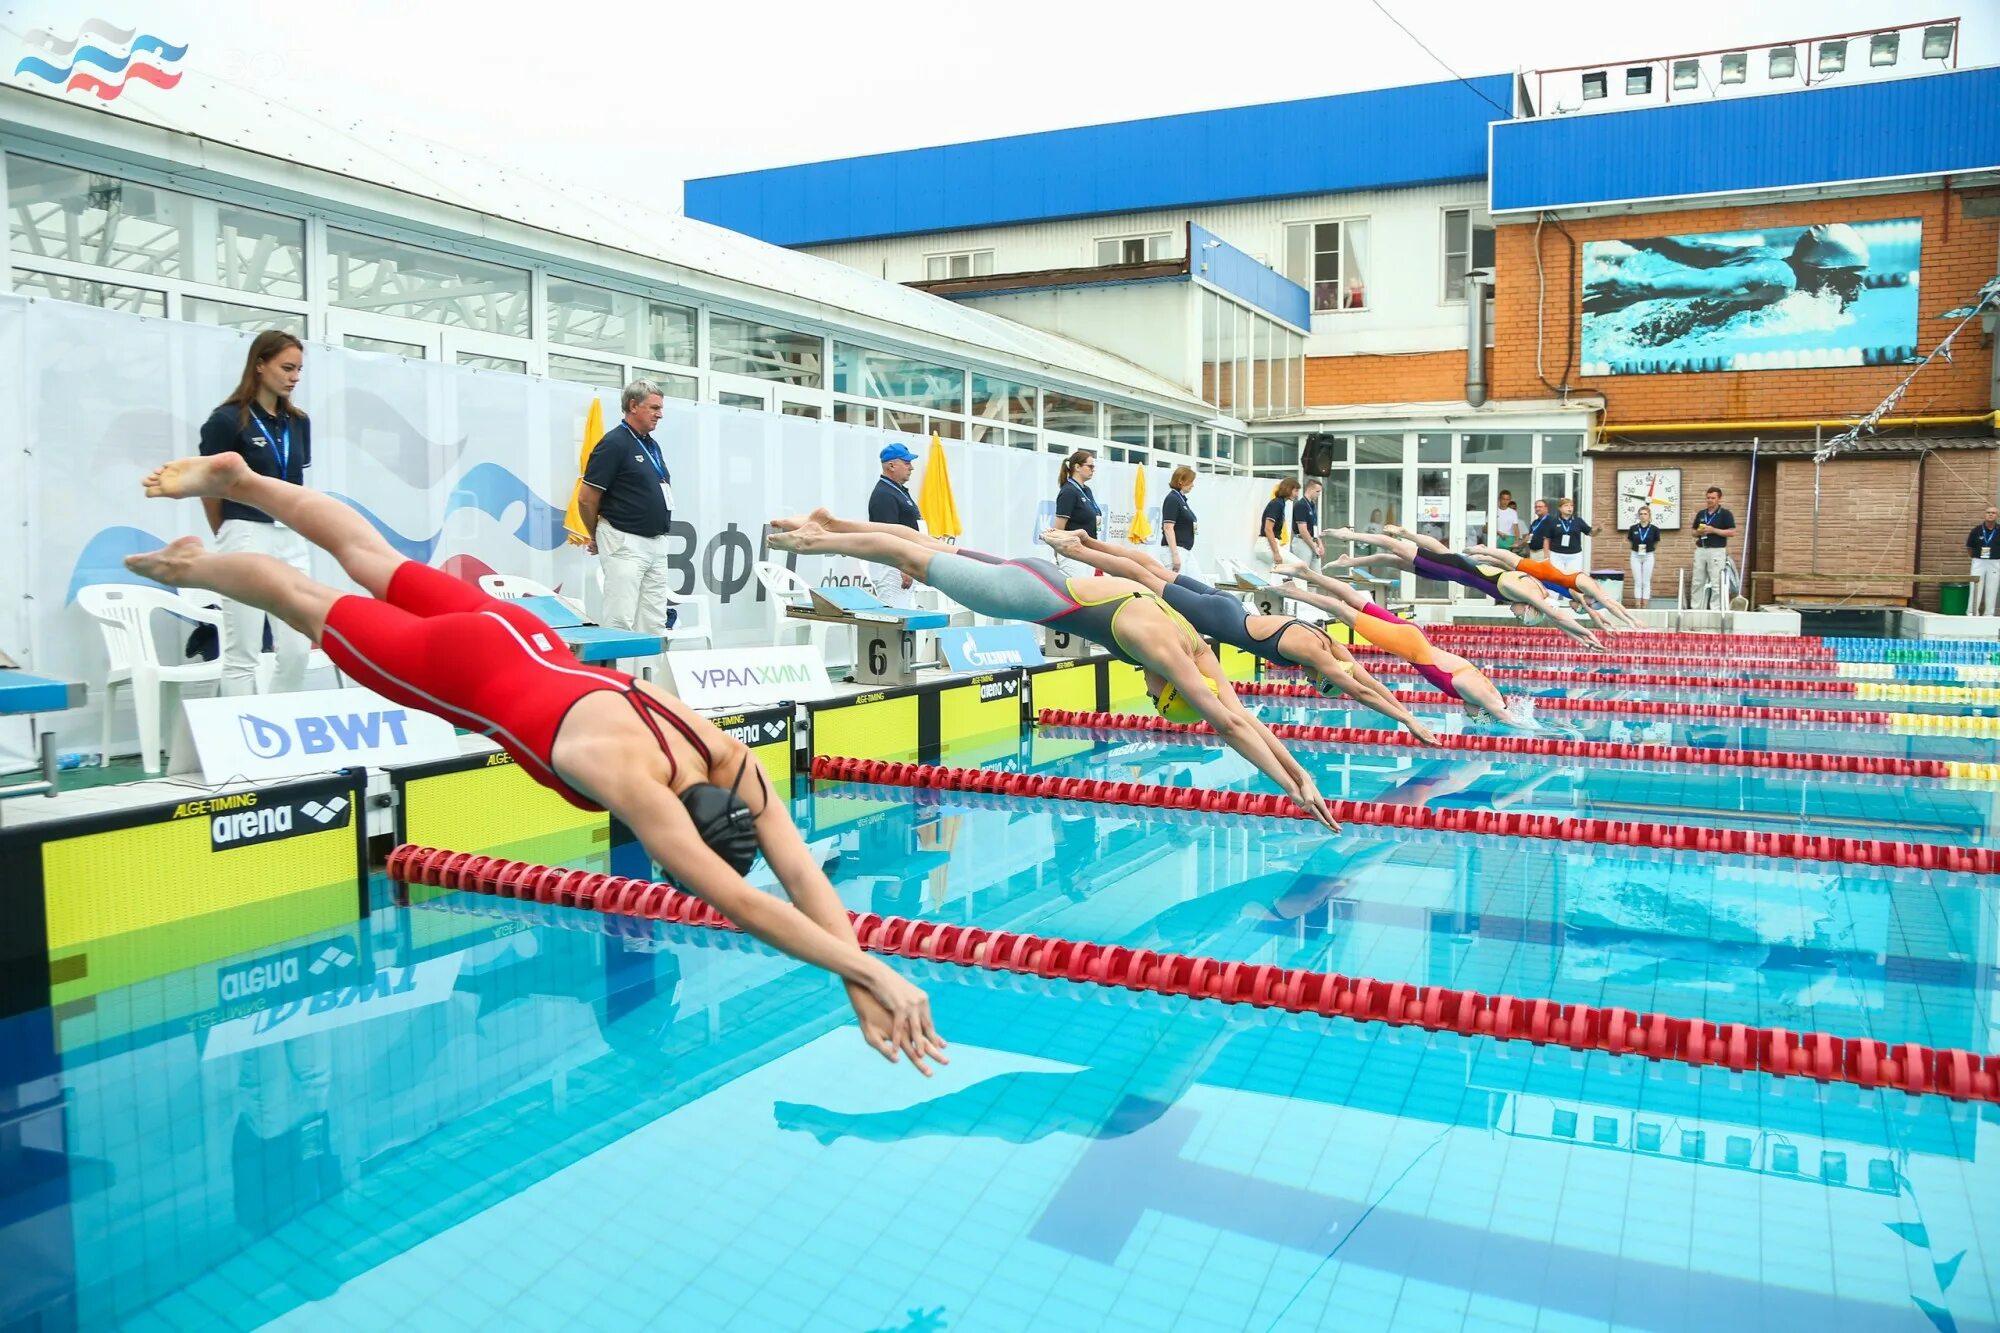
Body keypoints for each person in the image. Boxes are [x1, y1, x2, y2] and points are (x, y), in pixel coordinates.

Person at [127, 453, 946, 1076]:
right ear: (669, 829)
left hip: (520, 633)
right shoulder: (633, 787)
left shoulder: (724, 756)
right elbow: (743, 897)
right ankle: (195, 564)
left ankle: (247, 480)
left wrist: (861, 982)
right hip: (460, 667)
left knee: (364, 552)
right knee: (298, 600)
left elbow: (802, 876)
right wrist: (872, 968)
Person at [767, 509, 1338, 829]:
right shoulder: (1169, 654)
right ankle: (818, 540)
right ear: (1169, 693)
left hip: (1043, 573)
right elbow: (1231, 725)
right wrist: (1291, 785)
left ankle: (832, 522)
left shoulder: (1197, 647)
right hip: (1025, 594)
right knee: (909, 555)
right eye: (1154, 695)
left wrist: (1299, 778)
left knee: (923, 543)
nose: (1145, 685)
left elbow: (1242, 716)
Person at [1043, 528, 1438, 745]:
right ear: (1323, 677)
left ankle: (1087, 541)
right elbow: (1362, 692)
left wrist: (1407, 712)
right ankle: (1076, 550)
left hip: (1229, 609)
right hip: (1219, 620)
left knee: (1153, 570)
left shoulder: (1330, 646)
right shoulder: (1317, 657)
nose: (1312, 683)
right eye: (1322, 685)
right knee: (1145, 576)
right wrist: (1407, 721)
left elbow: (1369, 682)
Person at [197, 330, 315, 697]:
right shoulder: (226, 420)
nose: (294, 377)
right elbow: (208, 486)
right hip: (245, 533)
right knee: (243, 652)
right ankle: (243, 745)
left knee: (297, 649)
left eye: (298, 369)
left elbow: (294, 482)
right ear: (260, 365)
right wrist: (228, 532)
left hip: (290, 537)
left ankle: (279, 726)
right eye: (287, 367)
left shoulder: (298, 422)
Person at [1270, 561, 1529, 725]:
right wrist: (1529, 731)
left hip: (1413, 636)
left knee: (1354, 600)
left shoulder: (1477, 690)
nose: (1474, 718)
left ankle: (1306, 573)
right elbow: (1502, 713)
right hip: (1409, 645)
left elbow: (1479, 708)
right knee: (1343, 611)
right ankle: (1294, 591)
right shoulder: (1475, 690)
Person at [1332, 525, 1608, 651]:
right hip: (1453, 569)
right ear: (1527, 607)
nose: (1514, 615)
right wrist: (1587, 632)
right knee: (1396, 549)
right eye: (1519, 615)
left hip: (1453, 572)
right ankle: (1350, 534)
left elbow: (1555, 618)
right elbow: (1558, 616)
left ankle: (1352, 559)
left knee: (1397, 560)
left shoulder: (1532, 595)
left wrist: (1583, 639)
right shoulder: (1523, 590)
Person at [578, 381, 676, 634]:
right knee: (620, 617)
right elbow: (586, 498)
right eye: (654, 407)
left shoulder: (651, 444)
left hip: (656, 542)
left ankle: (648, 674)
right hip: (625, 540)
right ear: (633, 406)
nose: (660, 414)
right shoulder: (614, 443)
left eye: (661, 408)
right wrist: (595, 534)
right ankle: (618, 675)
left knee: (655, 619)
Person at [1466, 544, 1645, 631]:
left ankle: (1485, 558)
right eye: (1580, 610)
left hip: (1545, 577)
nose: (1575, 609)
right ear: (1587, 603)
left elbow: (1601, 610)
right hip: (1545, 573)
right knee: (1513, 560)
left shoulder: (1579, 596)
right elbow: (1610, 605)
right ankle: (1484, 550)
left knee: (1510, 567)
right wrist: (1631, 621)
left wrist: (1610, 624)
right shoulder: (1584, 592)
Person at [865, 442, 923, 609]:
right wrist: (903, 567)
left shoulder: (896, 491)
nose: (911, 468)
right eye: (906, 463)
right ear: (891, 465)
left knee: (908, 618)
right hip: (893, 567)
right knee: (896, 618)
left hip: (902, 563)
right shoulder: (884, 494)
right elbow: (888, 536)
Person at [1691, 486, 1736, 612]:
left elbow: (1732, 532)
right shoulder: (1701, 514)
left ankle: (1715, 609)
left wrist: (1713, 530)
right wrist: (1699, 532)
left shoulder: (1725, 514)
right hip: (1701, 549)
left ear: (1719, 499)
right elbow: (1693, 532)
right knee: (1697, 581)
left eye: (1713, 498)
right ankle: (1696, 609)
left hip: (1717, 550)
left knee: (1716, 582)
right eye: (1708, 497)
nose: (1710, 500)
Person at [1160, 465, 1200, 580]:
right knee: (1179, 586)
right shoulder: (1172, 499)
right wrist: (1175, 556)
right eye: (1190, 481)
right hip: (1175, 550)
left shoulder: (1181, 500)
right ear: (1181, 481)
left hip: (1185, 550)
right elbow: (1168, 528)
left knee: (1198, 582)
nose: (1192, 485)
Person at [1255, 479, 1300, 568]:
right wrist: (1276, 553)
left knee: (1264, 579)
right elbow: (1268, 529)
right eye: (1296, 491)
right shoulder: (1277, 504)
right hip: (1266, 546)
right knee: (1299, 566)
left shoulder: (1280, 503)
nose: (1297, 494)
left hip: (1263, 545)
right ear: (1288, 489)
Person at [1543, 498, 1591, 576]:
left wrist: (1598, 529)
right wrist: (1546, 556)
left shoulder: (1578, 521)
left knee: (1573, 577)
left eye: (1571, 506)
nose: (1570, 508)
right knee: (1557, 577)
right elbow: (1546, 539)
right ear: (1560, 508)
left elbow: (1591, 533)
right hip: (1557, 555)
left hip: (1574, 555)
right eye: (1566, 506)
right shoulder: (1553, 521)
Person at [1627, 505, 1661, 609]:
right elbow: (1630, 540)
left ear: (1649, 515)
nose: (1643, 516)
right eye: (1641, 514)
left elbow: (1656, 541)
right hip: (1635, 555)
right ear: (1638, 515)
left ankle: (1645, 605)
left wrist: (1651, 549)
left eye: (1645, 514)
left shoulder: (1654, 529)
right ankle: (1637, 604)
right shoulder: (1633, 528)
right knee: (1638, 581)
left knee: (1646, 581)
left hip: (1648, 555)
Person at [1969, 506, 2000, 617]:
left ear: (1997, 515)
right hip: (1978, 561)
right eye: (1988, 512)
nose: (1990, 514)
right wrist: (1975, 557)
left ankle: (1989, 614)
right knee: (1975, 586)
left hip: (1995, 562)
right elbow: (1969, 547)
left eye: (1993, 513)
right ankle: (1972, 612)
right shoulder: (1976, 530)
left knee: (1992, 588)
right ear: (1984, 514)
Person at [1292, 480, 1327, 567]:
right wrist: (1314, 547)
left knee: (1317, 574)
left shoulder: (1312, 505)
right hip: (1302, 542)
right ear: (1310, 489)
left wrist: (1319, 543)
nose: (1319, 494)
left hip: (1312, 541)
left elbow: (1313, 527)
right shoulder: (1301, 505)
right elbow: (1303, 531)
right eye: (1317, 491)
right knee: (1302, 573)